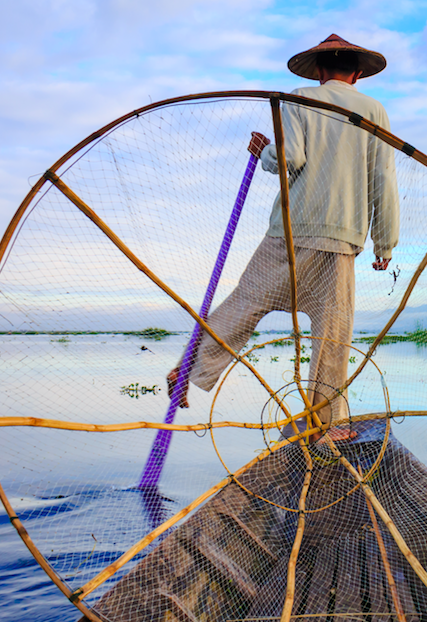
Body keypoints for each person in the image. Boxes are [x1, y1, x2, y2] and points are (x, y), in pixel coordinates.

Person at [169, 34, 400, 442]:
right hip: (343, 235)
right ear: (358, 74)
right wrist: (385, 244)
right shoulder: (374, 109)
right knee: (333, 330)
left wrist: (263, 152)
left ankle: (189, 369)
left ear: (320, 71)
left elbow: (289, 158)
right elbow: (383, 176)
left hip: (293, 227)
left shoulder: (301, 98)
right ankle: (324, 424)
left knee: (245, 303)